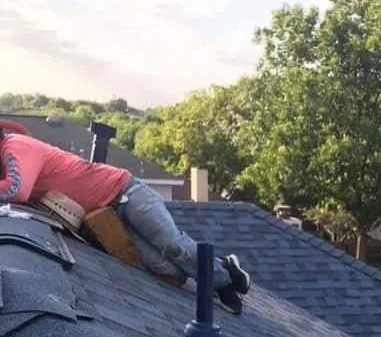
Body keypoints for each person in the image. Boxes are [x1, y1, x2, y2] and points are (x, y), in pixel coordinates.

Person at [0, 122, 250, 314]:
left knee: (173, 246)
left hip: (125, 191)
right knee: (164, 268)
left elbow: (16, 190)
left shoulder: (17, 145)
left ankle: (225, 284)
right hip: (105, 218)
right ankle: (222, 264)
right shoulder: (9, 158)